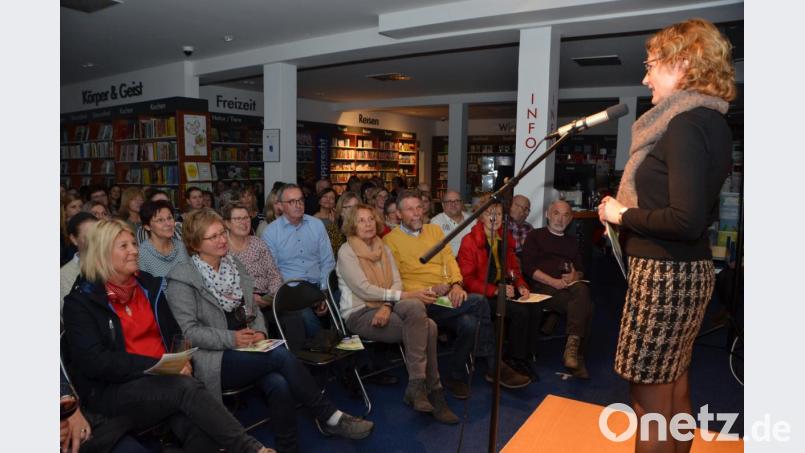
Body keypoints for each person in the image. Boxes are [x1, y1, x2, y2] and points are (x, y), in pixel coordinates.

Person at [596, 18, 735, 453]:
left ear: (683, 63)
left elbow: (684, 219)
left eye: (651, 64)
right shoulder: (709, 121)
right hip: (686, 270)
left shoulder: (683, 125)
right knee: (674, 388)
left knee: (649, 403)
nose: (644, 76)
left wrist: (623, 213)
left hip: (663, 276)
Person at [166, 209, 374, 452]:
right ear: (194, 244)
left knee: (279, 383)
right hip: (213, 357)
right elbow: (189, 332)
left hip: (248, 348)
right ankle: (328, 415)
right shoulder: (182, 279)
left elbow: (252, 312)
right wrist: (233, 338)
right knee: (280, 355)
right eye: (213, 237)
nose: (222, 239)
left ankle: (289, 447)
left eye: (222, 233)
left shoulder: (234, 267)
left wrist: (260, 333)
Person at [62, 219, 275, 453]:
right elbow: (95, 362)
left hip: (167, 380)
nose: (134, 250)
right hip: (117, 390)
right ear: (101, 253)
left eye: (134, 243)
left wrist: (181, 360)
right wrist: (160, 367)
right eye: (124, 246)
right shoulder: (81, 303)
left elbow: (175, 332)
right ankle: (250, 448)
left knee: (199, 426)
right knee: (185, 389)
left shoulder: (149, 286)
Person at [383, 190, 530, 398]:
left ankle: (456, 375)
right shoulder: (391, 241)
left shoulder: (434, 231)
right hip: (421, 301)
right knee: (479, 302)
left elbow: (450, 261)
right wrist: (427, 290)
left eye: (419, 208)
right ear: (398, 214)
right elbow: (395, 280)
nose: (416, 213)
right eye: (409, 209)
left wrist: (456, 285)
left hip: (446, 296)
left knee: (469, 324)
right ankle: (494, 366)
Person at [337, 204, 459, 424]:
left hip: (385, 304)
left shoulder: (382, 246)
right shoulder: (346, 251)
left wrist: (387, 305)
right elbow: (363, 289)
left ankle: (417, 386)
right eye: (361, 220)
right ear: (352, 225)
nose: (368, 224)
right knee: (428, 327)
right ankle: (434, 391)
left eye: (371, 219)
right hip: (360, 312)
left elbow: (396, 280)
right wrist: (399, 297)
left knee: (415, 308)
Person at [456, 196, 539, 381]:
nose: (495, 218)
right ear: (481, 217)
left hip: (503, 289)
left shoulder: (505, 237)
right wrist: (494, 290)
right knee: (519, 312)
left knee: (533, 306)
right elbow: (467, 280)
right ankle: (514, 360)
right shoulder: (469, 241)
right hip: (482, 295)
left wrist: (521, 285)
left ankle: (522, 356)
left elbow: (514, 269)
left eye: (499, 214)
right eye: (490, 214)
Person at [521, 199, 594, 378]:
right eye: (556, 213)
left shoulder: (572, 241)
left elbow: (581, 270)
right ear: (547, 214)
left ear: (570, 219)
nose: (560, 219)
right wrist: (553, 281)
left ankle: (572, 352)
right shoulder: (535, 236)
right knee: (588, 307)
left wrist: (574, 276)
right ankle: (576, 358)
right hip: (543, 287)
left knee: (582, 292)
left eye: (565, 215)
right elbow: (528, 267)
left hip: (568, 289)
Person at [261, 184, 335, 337]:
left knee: (342, 301)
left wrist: (323, 292)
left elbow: (327, 260)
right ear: (281, 206)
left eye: (300, 200)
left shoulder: (316, 225)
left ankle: (340, 345)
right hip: (290, 289)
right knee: (304, 316)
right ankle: (323, 345)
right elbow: (272, 271)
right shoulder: (271, 232)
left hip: (316, 285)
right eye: (292, 201)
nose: (298, 205)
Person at [224, 202, 283, 310]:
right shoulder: (222, 247)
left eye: (246, 218)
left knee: (293, 316)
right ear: (227, 223)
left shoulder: (258, 243)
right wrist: (248, 298)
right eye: (238, 219)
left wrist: (270, 297)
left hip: (266, 297)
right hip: (238, 301)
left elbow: (274, 274)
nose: (244, 222)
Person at [61, 212, 98, 324]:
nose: (95, 240)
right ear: (74, 239)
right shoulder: (64, 275)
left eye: (97, 234)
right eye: (88, 236)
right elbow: (71, 316)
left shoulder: (114, 261)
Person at [137, 200, 190, 277]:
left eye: (169, 218)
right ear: (147, 226)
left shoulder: (180, 246)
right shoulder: (142, 254)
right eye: (160, 220)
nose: (168, 224)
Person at [430, 190, 471, 257]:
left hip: (469, 263)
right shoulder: (435, 223)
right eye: (449, 201)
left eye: (457, 201)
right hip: (447, 264)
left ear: (461, 203)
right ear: (443, 205)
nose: (453, 204)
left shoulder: (472, 220)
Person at [326, 191, 360, 258]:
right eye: (349, 207)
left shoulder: (365, 229)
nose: (354, 210)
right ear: (341, 211)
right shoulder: (333, 231)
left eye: (356, 206)